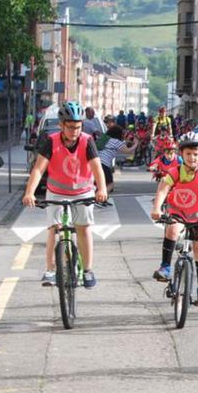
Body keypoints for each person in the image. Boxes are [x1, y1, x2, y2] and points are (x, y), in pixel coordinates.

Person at [22, 101, 108, 289]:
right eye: (70, 127)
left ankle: (87, 270)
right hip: (56, 192)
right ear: (61, 125)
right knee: (54, 228)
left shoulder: (87, 141)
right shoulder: (51, 141)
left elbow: (97, 167)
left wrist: (101, 189)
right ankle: (51, 269)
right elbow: (38, 169)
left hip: (83, 191)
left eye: (78, 127)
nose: (74, 131)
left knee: (84, 229)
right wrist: (29, 192)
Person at [150, 132, 198, 306]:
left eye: (196, 154)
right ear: (181, 154)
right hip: (178, 212)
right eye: (188, 154)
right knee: (173, 229)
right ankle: (165, 267)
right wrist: (157, 208)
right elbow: (162, 190)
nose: (192, 157)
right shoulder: (175, 171)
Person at [97, 126, 139, 193]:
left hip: (94, 163)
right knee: (110, 184)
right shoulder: (115, 141)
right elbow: (128, 151)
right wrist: (136, 144)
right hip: (103, 164)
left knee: (99, 184)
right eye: (122, 134)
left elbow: (123, 144)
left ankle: (98, 197)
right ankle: (100, 198)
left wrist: (126, 139)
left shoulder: (103, 139)